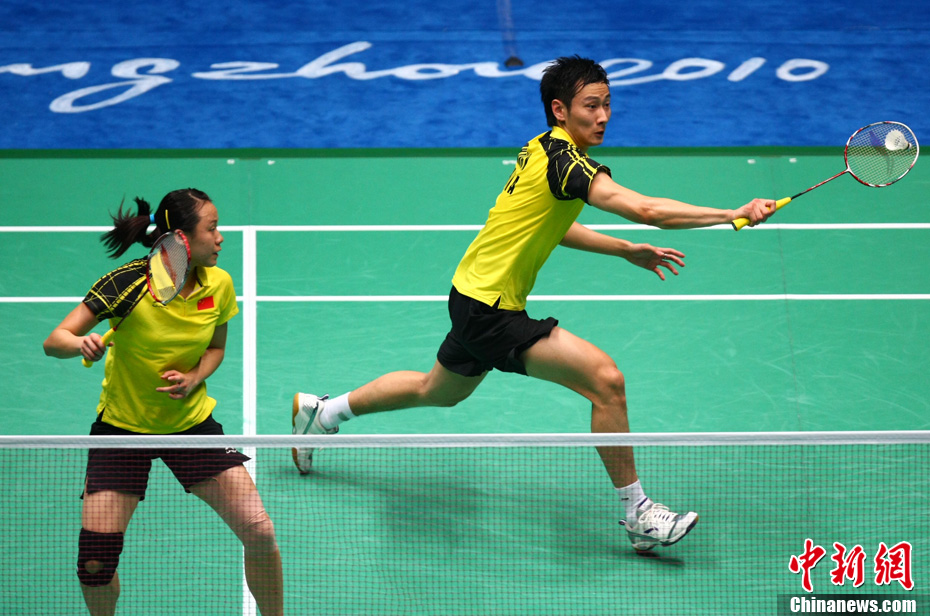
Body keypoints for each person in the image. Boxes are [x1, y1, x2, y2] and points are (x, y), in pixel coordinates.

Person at [291, 56, 775, 552]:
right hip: (491, 310)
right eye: (591, 106)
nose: (603, 116)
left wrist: (625, 249)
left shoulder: (542, 149)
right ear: (560, 110)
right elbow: (646, 209)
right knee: (606, 381)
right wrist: (730, 213)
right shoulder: (567, 163)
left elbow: (553, 226)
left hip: (472, 294)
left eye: (608, 104)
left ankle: (322, 414)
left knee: (436, 390)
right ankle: (639, 514)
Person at [44, 189, 283, 615]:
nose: (220, 237)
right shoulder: (127, 283)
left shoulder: (219, 284)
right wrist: (82, 343)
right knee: (95, 564)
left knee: (260, 532)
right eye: (212, 228)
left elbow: (216, 348)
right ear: (182, 238)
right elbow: (54, 341)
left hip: (190, 426)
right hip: (122, 431)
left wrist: (194, 377)